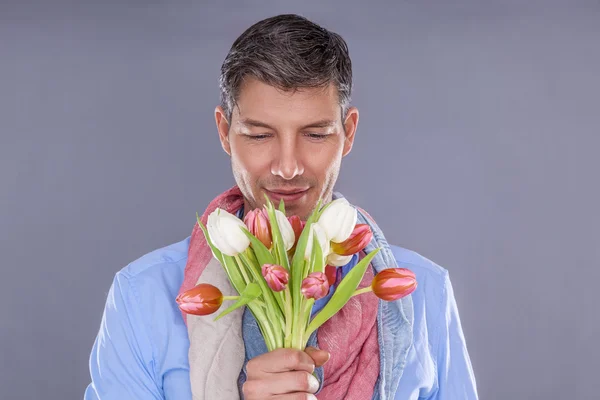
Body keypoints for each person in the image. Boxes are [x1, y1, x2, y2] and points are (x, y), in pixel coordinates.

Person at [84, 14, 478, 400]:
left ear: (348, 133)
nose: (288, 167)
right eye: (258, 135)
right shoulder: (144, 295)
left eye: (315, 134)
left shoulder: (423, 292)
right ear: (225, 132)